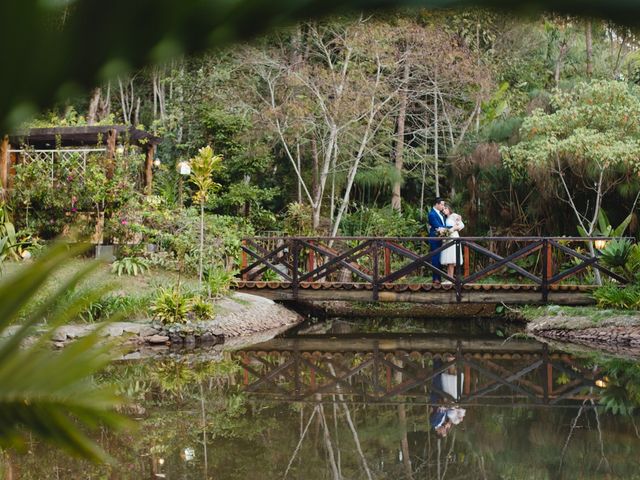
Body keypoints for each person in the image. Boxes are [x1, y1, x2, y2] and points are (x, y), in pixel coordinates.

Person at [440, 205, 465, 284]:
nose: (444, 210)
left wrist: (454, 228)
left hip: (453, 237)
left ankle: (450, 279)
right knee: (448, 259)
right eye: (443, 209)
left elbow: (461, 225)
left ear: (449, 208)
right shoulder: (446, 218)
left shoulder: (453, 215)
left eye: (445, 208)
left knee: (451, 258)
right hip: (448, 239)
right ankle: (449, 278)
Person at [427, 198, 447, 284]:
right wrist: (451, 229)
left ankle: (439, 277)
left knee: (439, 258)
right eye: (442, 204)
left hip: (441, 239)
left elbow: (443, 225)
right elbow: (437, 226)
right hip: (435, 239)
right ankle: (435, 279)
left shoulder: (441, 214)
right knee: (435, 258)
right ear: (437, 204)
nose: (443, 206)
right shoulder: (432, 214)